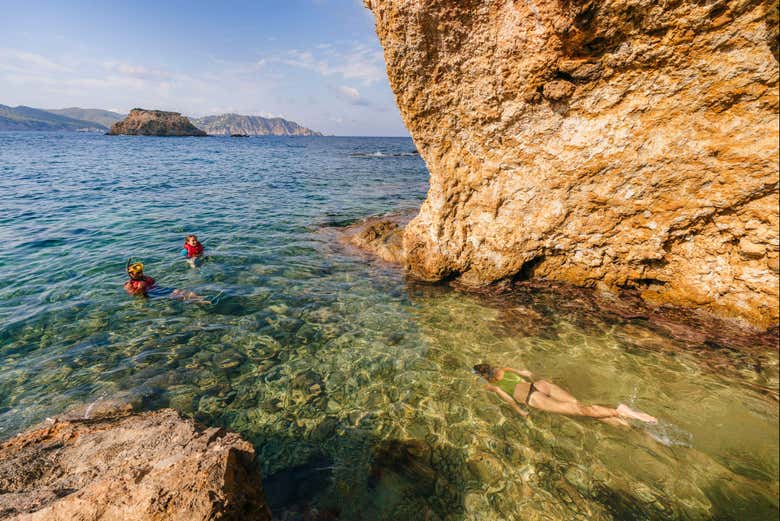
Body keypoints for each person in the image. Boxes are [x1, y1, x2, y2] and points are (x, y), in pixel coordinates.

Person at [473, 363, 656, 426]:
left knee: (580, 411)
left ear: (483, 376)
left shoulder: (490, 386)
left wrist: (520, 412)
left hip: (533, 398)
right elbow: (527, 373)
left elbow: (508, 399)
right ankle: (621, 423)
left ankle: (619, 412)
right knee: (578, 405)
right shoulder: (505, 369)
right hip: (540, 385)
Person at [124, 260, 209, 303]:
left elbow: (153, 281)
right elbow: (133, 294)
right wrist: (140, 288)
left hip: (159, 288)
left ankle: (199, 297)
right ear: (131, 274)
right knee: (177, 296)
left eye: (141, 271)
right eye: (138, 273)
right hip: (153, 293)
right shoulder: (129, 284)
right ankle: (199, 302)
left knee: (179, 291)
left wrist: (148, 280)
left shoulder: (145, 277)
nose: (141, 274)